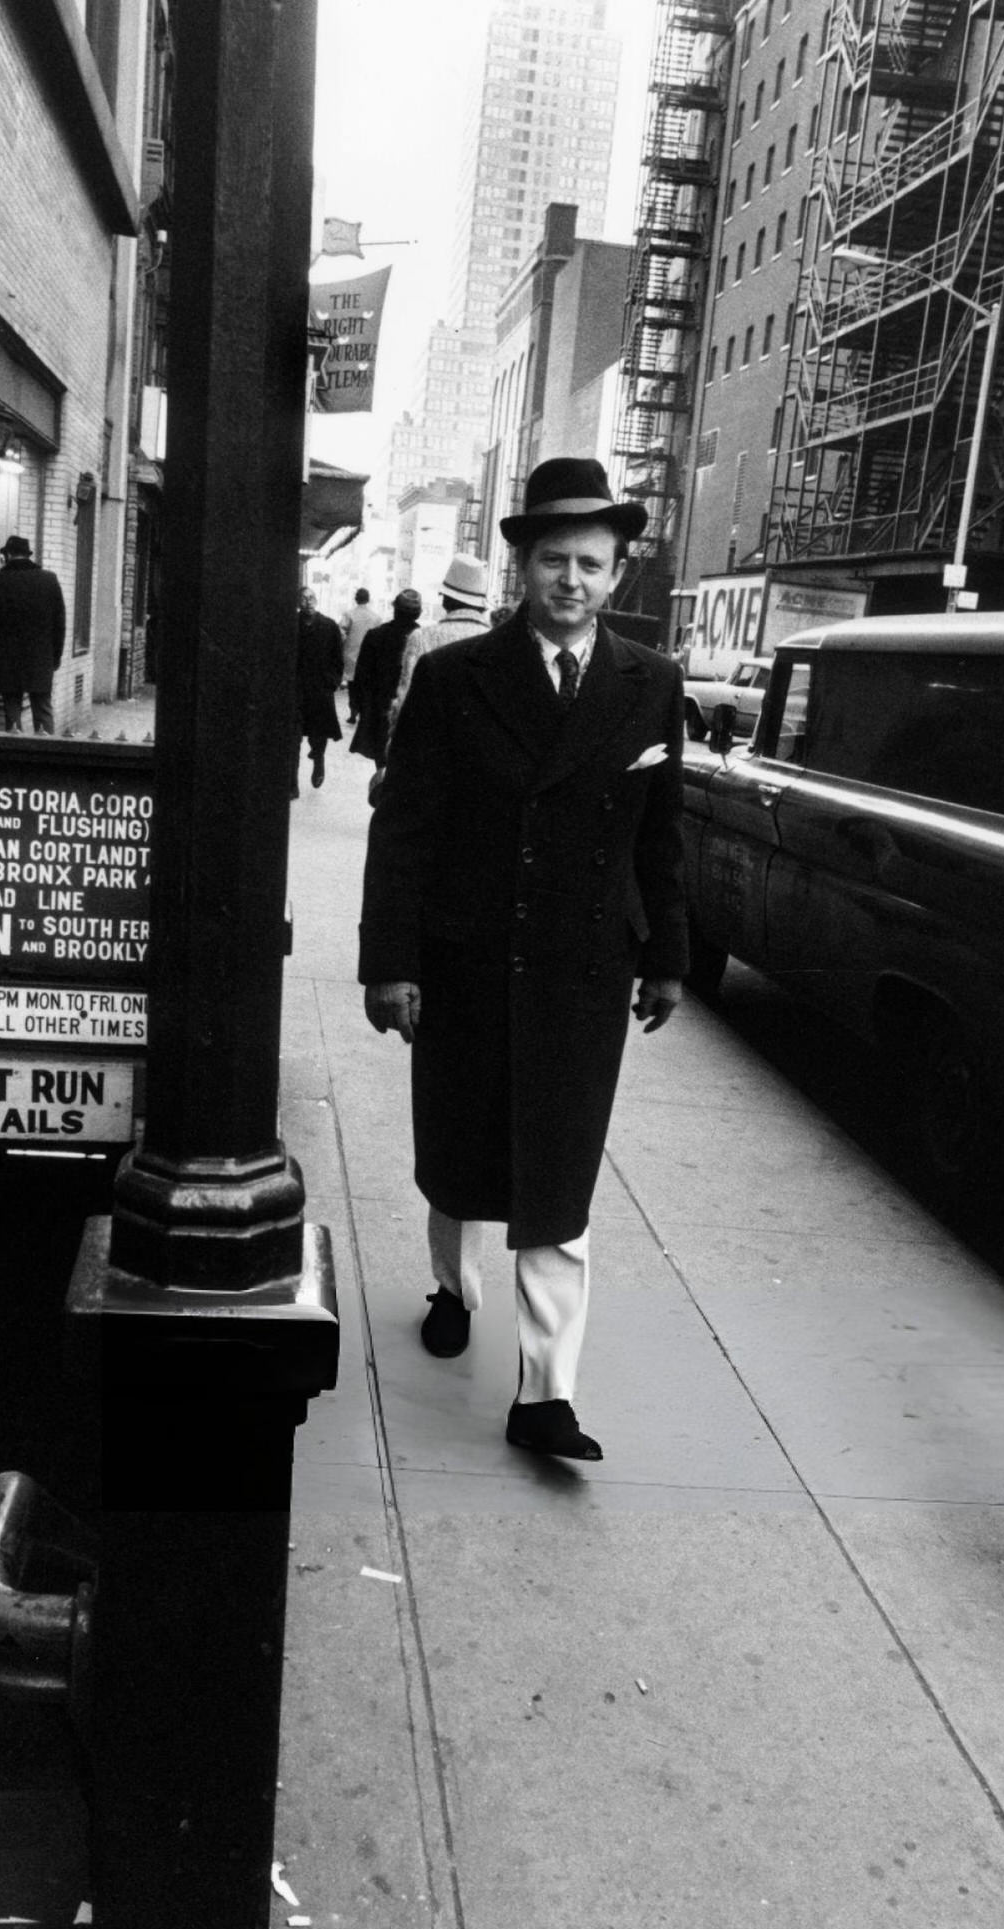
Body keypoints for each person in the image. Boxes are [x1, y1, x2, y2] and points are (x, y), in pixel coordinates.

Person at [358, 457, 688, 1463]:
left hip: (583, 971)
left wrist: (666, 956)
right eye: (554, 561)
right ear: (521, 565)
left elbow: (658, 836)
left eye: (592, 564)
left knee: (556, 1182)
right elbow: (403, 829)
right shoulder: (456, 679)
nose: (572, 582)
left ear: (616, 574)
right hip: (467, 961)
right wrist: (390, 963)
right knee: (462, 1160)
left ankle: (544, 1396)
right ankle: (454, 1290)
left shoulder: (650, 683)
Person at [387, 554, 491, 744]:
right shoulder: (495, 642)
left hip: (428, 750)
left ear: (446, 600)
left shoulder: (421, 638)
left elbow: (405, 701)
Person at [0, 533, 65, 734]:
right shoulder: (49, 580)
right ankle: (47, 755)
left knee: (12, 709)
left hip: (9, 659)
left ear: (8, 555)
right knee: (43, 708)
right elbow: (59, 624)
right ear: (27, 555)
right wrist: (56, 657)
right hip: (41, 657)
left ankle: (16, 754)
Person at [349, 588, 422, 775]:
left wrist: (358, 706)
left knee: (382, 763)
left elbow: (362, 675)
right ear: (418, 613)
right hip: (412, 712)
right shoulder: (423, 638)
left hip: (380, 710)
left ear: (395, 609)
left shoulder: (376, 635)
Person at [294, 589, 345, 791]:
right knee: (293, 738)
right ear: (298, 602)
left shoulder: (329, 625)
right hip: (296, 688)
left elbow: (337, 658)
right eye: (303, 598)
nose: (308, 602)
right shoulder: (291, 624)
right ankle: (292, 783)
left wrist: (332, 682)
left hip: (320, 688)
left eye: (311, 598)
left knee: (319, 732)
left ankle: (318, 760)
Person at [340, 588, 381, 714]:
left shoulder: (349, 614)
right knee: (365, 687)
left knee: (353, 687)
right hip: (369, 657)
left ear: (356, 598)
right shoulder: (376, 617)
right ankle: (364, 712)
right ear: (368, 599)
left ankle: (353, 712)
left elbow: (341, 633)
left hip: (351, 655)